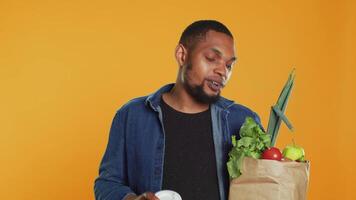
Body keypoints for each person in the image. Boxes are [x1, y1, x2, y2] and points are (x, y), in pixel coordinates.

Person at [94, 20, 263, 200]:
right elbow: (108, 183)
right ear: (182, 55)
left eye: (229, 65)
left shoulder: (244, 121)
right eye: (212, 58)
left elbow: (263, 186)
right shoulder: (131, 115)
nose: (223, 71)